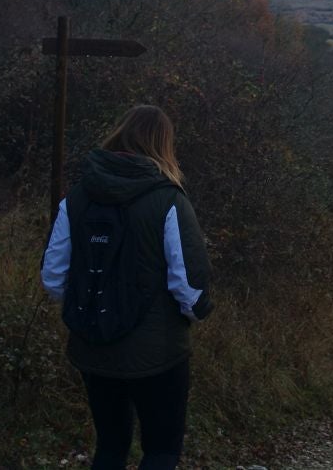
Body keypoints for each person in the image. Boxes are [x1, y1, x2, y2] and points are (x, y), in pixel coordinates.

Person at [42, 105, 213, 470]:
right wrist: (193, 315)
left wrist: (88, 315)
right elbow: (189, 286)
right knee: (161, 450)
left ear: (120, 134)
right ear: (163, 144)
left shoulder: (77, 197)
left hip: (94, 349)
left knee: (110, 447)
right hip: (159, 355)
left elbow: (53, 276)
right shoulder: (169, 200)